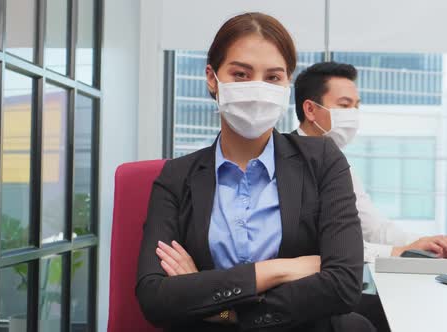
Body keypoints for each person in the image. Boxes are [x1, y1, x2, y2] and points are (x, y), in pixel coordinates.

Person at [136, 13, 375, 332]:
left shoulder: (321, 159)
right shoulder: (177, 177)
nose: (257, 88)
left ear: (287, 83)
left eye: (273, 77)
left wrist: (223, 309)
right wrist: (277, 270)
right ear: (212, 77)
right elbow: (155, 298)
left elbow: (344, 284)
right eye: (240, 74)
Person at [293, 61, 447, 261]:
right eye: (345, 105)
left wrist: (434, 243)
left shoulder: (336, 162)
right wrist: (402, 251)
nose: (353, 114)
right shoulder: (289, 163)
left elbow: (375, 229)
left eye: (356, 106)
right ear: (310, 110)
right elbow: (323, 247)